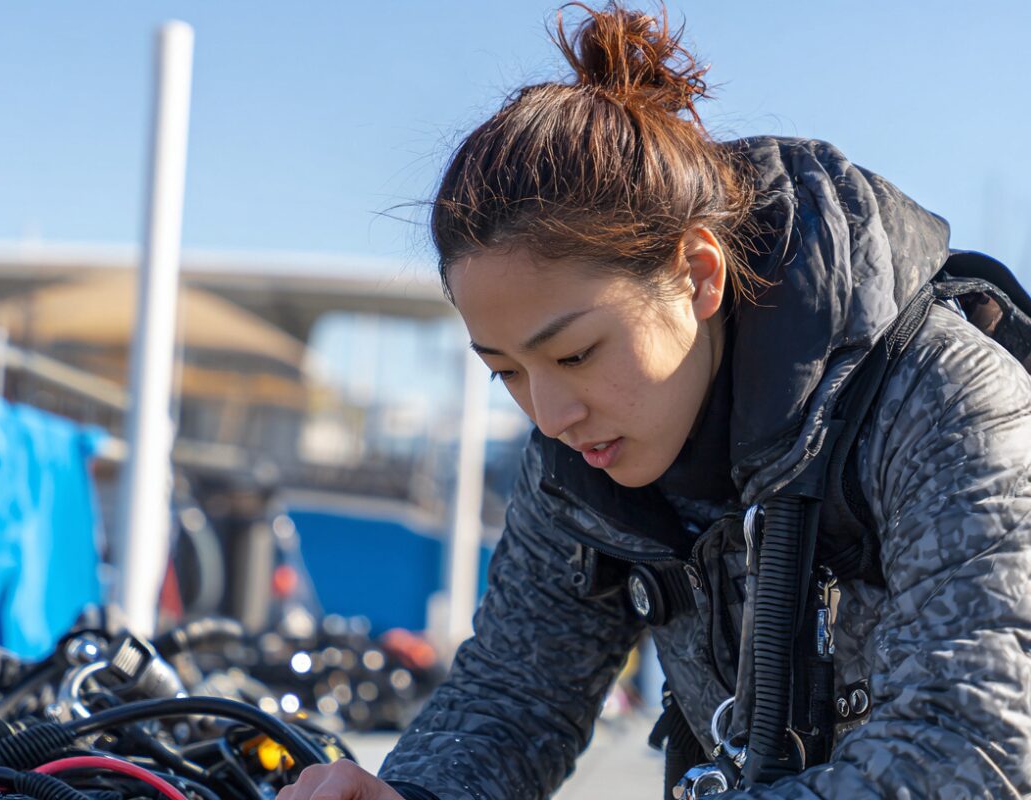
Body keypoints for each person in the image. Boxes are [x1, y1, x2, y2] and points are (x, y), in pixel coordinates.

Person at [278, 4, 1031, 798]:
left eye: (575, 353)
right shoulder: (577, 458)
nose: (552, 415)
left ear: (700, 275)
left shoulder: (947, 406)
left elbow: (971, 754)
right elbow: (516, 699)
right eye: (506, 371)